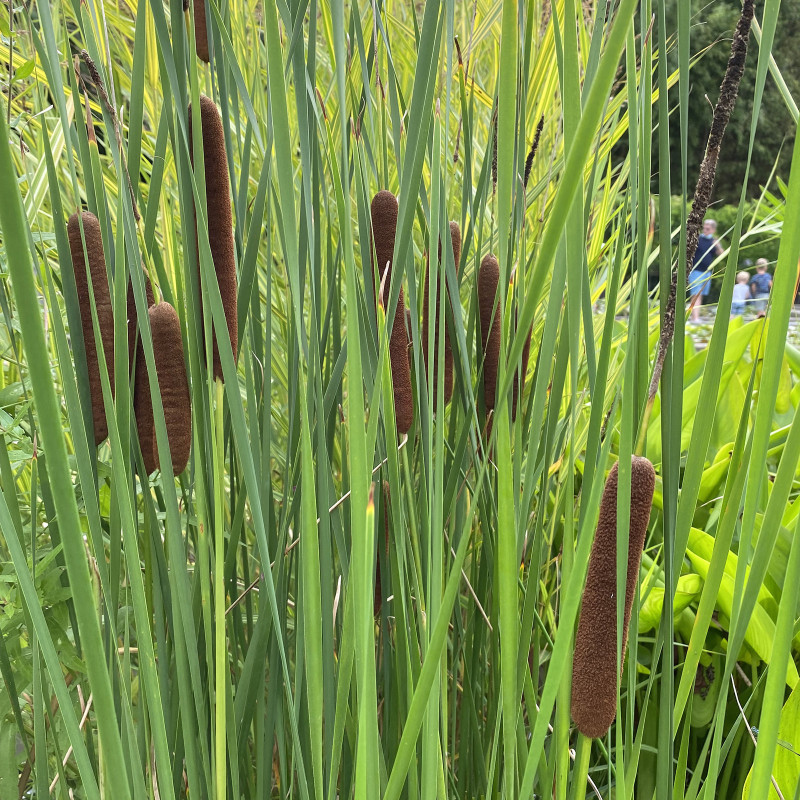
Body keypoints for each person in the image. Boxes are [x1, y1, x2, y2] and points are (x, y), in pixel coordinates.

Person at [688, 219, 723, 322]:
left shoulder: (713, 241)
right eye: (705, 227)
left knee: (700, 295)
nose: (706, 229)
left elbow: (721, 254)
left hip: (707, 272)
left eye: (709, 228)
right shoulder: (698, 239)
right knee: (695, 294)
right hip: (696, 270)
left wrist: (718, 244)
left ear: (713, 230)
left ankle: (696, 316)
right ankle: (695, 318)